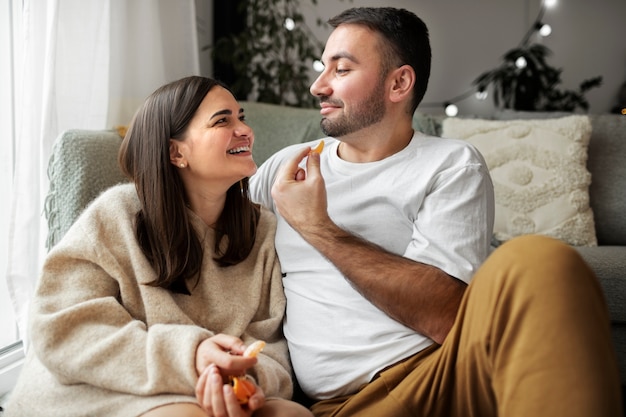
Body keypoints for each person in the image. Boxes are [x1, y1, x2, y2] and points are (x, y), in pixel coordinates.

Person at [249, 7, 623, 417]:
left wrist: (317, 227)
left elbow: (445, 316)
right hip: (346, 406)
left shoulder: (451, 164)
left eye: (341, 70)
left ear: (399, 83)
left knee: (542, 259)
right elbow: (214, 258)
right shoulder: (286, 168)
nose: (317, 87)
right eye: (323, 68)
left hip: (444, 375)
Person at [4, 76, 312, 417]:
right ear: (175, 151)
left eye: (241, 117)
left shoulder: (263, 229)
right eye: (223, 120)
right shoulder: (116, 215)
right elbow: (63, 329)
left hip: (204, 392)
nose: (244, 130)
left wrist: (246, 382)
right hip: (99, 386)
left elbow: (269, 346)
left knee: (291, 415)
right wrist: (191, 357)